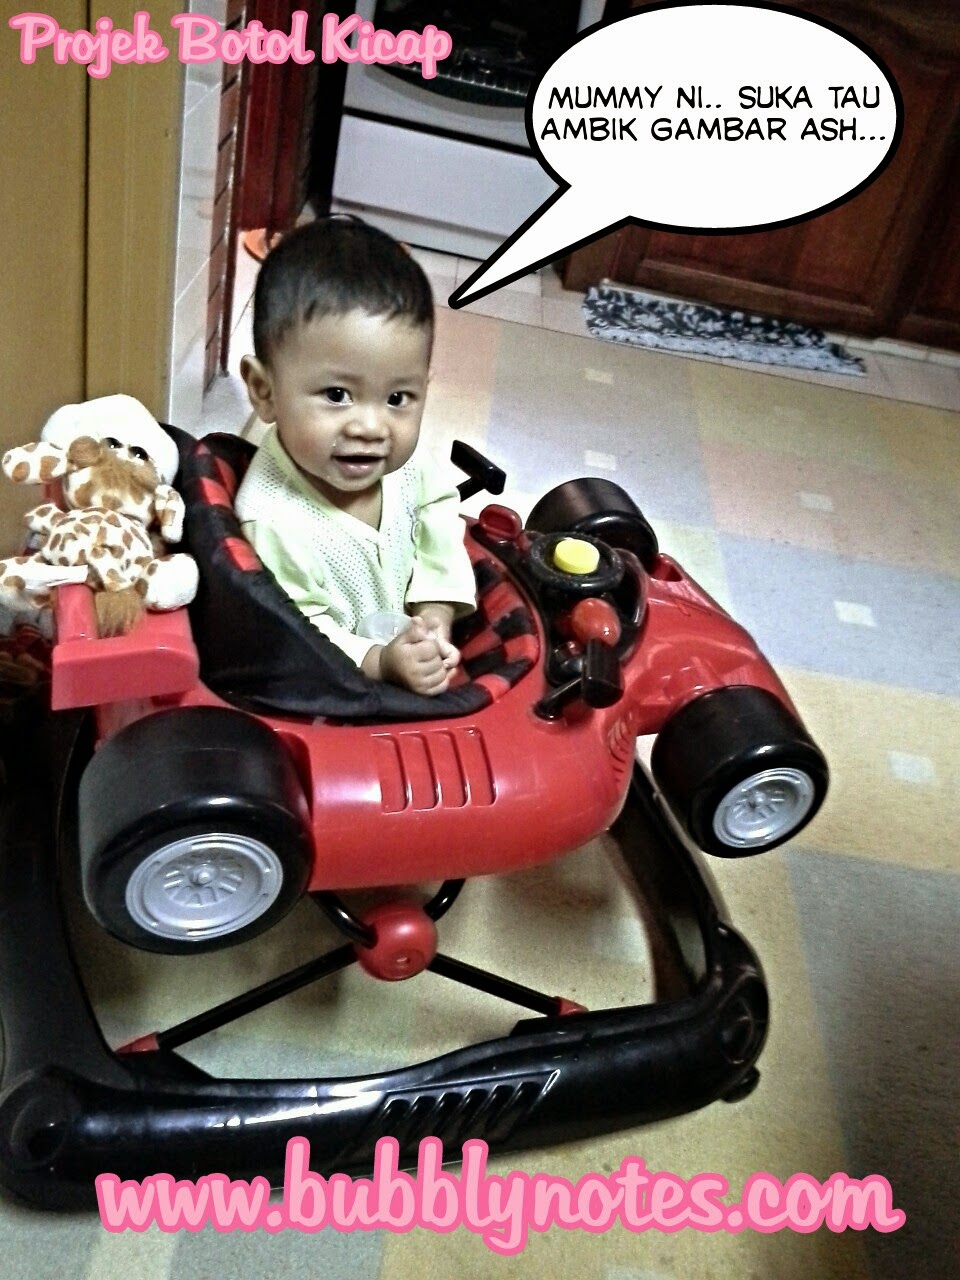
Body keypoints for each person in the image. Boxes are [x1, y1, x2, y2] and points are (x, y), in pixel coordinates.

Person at [235, 218, 477, 697]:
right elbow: (299, 631)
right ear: (264, 391)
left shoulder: (406, 467)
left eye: (398, 399)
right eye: (337, 394)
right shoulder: (272, 520)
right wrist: (380, 661)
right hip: (338, 694)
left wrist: (436, 609)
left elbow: (438, 510)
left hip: (410, 648)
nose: (371, 428)